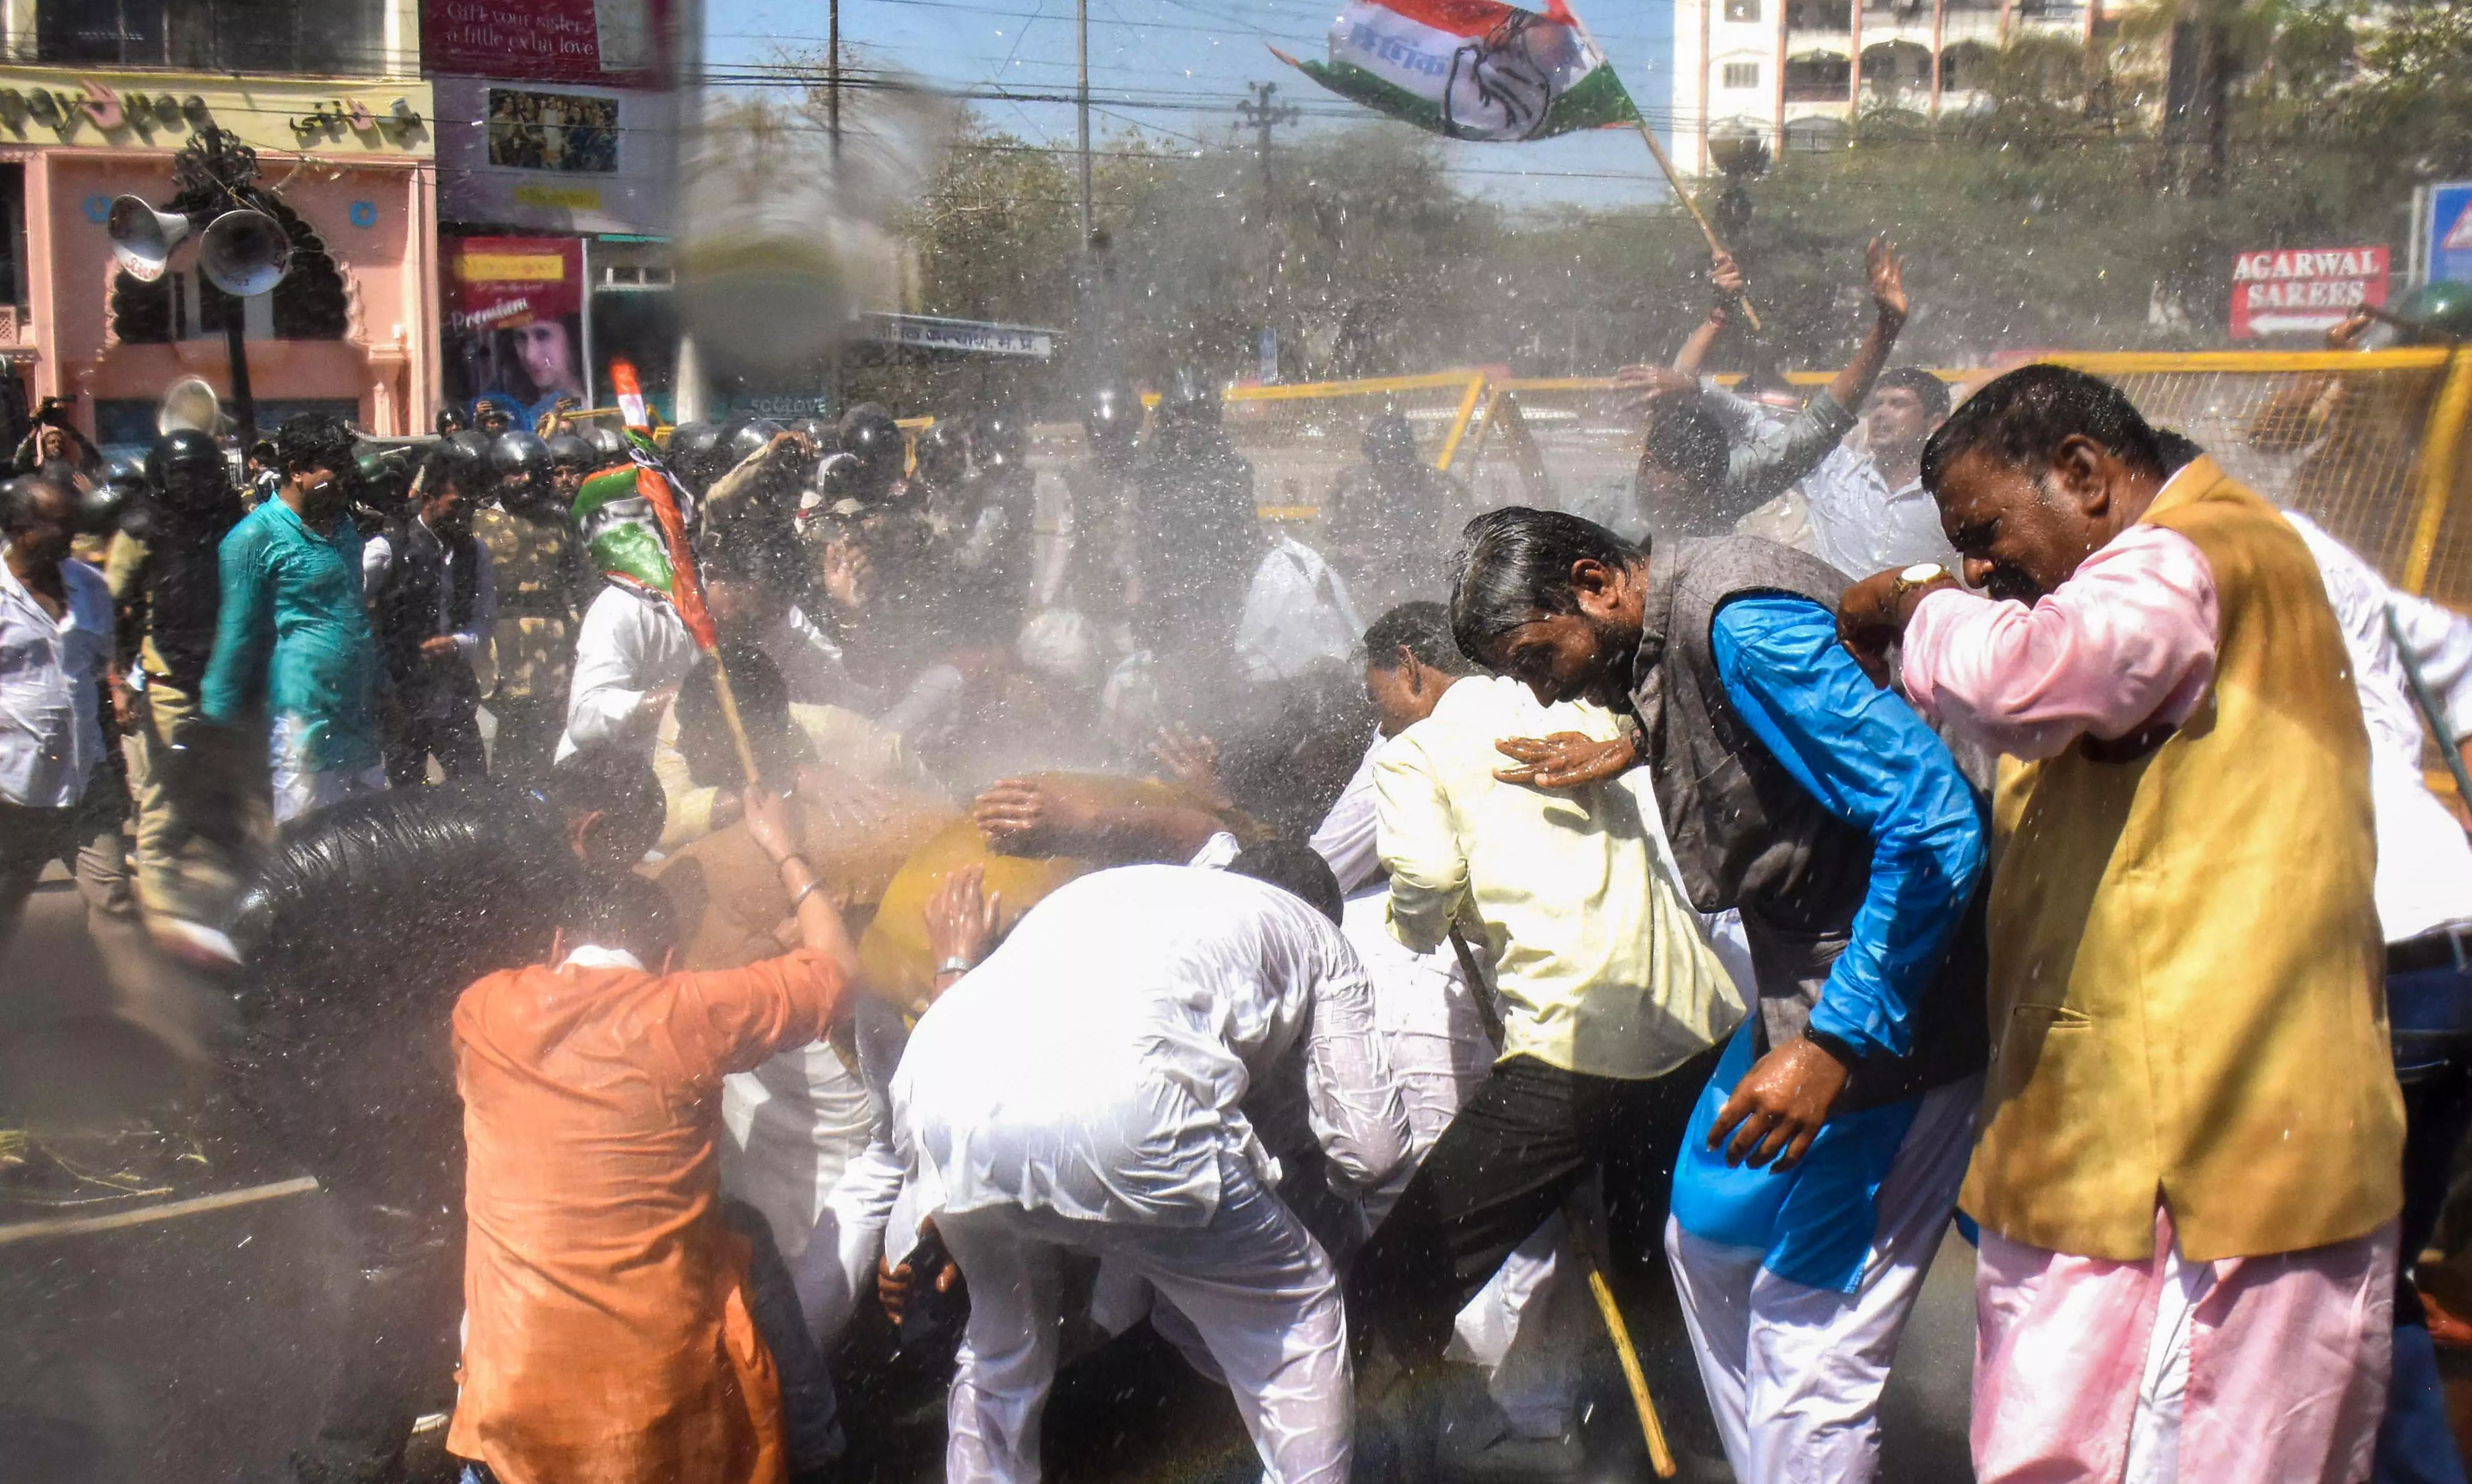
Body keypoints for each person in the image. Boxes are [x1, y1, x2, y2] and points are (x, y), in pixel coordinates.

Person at [1836, 364, 2404, 1484]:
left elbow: (2026, 678)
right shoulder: (2180, 565)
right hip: (2126, 1149)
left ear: (2084, 475)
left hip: (2213, 1165)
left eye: (1984, 532)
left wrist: (1914, 598)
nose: (1979, 566)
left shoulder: (2183, 555)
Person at [1447, 505, 1988, 1483]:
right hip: (1806, 986)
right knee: (1705, 1237)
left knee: (1806, 1350)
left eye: (1537, 657)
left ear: (1594, 583)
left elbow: (1933, 818)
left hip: (1895, 1005)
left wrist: (1834, 1044)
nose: (1542, 689)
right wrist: (1635, 741)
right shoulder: (1682, 622)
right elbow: (1763, 730)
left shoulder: (1740, 622)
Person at [891, 850, 1412, 1484]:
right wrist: (1323, 1188)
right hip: (1119, 1116)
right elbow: (1373, 1152)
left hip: (936, 1092)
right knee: (1298, 1310)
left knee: (1004, 1348)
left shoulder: (1133, 889)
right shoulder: (1317, 934)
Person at [228, 746, 668, 1484]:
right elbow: (518, 1015)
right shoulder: (533, 860)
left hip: (283, 980)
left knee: (448, 1175)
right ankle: (347, 1463)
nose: (614, 880)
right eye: (620, 858)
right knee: (409, 1239)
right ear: (592, 828)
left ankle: (436, 1365)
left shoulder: (512, 805)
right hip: (265, 1012)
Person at [447, 786, 859, 1484]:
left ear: (556, 945)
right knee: (742, 1230)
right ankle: (822, 1453)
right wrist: (787, 850)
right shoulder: (690, 1011)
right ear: (670, 960)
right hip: (657, 1425)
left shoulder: (483, 1011)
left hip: (513, 1421)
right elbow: (839, 971)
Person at [1618, 238, 1910, 540]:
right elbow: (1676, 399)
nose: (1693, 505)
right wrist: (1717, 315)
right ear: (1647, 465)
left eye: (1699, 492)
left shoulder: (1724, 486)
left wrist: (1887, 327)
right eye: (1680, 489)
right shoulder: (1607, 507)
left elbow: (1820, 426)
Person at [104, 430, 256, 960]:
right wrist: (120, 681)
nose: (193, 484)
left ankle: (245, 908)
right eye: (182, 473)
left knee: (240, 795)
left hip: (231, 680)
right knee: (165, 803)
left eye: (202, 472)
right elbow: (110, 604)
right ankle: (161, 914)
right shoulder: (142, 528)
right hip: (170, 681)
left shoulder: (235, 522)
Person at [201, 413, 389, 823]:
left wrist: (385, 688)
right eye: (333, 469)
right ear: (297, 471)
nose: (345, 479)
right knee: (308, 844)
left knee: (372, 840)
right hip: (303, 722)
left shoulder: (344, 530)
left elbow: (356, 615)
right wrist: (213, 731)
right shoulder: (253, 538)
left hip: (357, 716)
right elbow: (236, 638)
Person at [0, 474, 113, 957]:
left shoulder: (89, 585)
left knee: (114, 903)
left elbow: (103, 660)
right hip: (13, 789)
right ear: (21, 531)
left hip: (87, 775)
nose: (71, 535)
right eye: (58, 524)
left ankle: (141, 1002)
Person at [365, 433, 496, 786]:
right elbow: (351, 611)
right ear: (429, 500)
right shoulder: (388, 549)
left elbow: (485, 621)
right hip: (402, 700)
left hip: (454, 697)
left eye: (471, 506)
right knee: (405, 799)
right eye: (457, 505)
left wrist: (457, 644)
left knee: (474, 790)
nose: (465, 515)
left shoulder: (476, 552)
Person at [475, 429, 587, 782]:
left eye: (531, 472)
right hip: (502, 643)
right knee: (508, 735)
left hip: (554, 643)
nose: (523, 480)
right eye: (514, 472)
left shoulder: (560, 522)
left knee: (550, 735)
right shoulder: (478, 523)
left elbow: (581, 582)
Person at [1325, 414, 1461, 614]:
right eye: (1381, 461)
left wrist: (1403, 559)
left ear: (1411, 457)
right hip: (1361, 587)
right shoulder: (1352, 487)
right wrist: (1348, 551)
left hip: (1422, 591)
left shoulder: (1441, 489)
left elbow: (1456, 551)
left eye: (1398, 460)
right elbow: (1321, 541)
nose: (1390, 468)